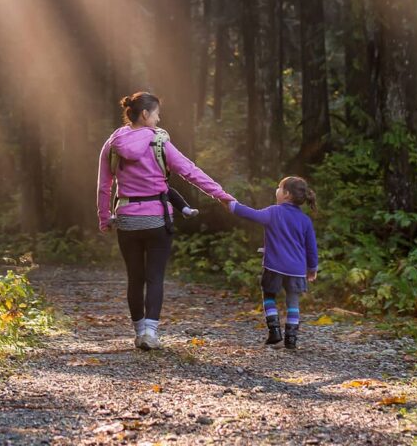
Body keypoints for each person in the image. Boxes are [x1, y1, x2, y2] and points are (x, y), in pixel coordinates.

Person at [97, 91, 234, 350]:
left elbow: (104, 186)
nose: (159, 119)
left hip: (127, 219)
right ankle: (151, 332)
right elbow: (190, 171)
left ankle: (138, 333)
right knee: (155, 277)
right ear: (146, 114)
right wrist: (221, 195)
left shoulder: (113, 143)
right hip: (157, 219)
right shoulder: (159, 142)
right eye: (157, 113)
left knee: (134, 278)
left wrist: (105, 218)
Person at [226, 176, 318, 349]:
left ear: (286, 194)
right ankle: (291, 338)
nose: (276, 190)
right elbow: (311, 248)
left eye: (279, 187)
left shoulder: (274, 212)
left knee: (269, 295)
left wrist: (231, 204)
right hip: (297, 269)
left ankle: (274, 331)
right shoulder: (305, 220)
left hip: (274, 266)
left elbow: (251, 214)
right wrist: (312, 268)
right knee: (293, 301)